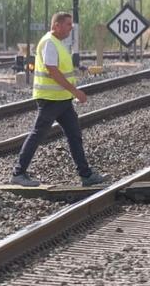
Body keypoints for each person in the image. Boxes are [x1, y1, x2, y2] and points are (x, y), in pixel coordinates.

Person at [10, 11, 106, 187]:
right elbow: (52, 71)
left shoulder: (58, 43)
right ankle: (18, 173)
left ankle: (86, 175)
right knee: (38, 134)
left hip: (62, 100)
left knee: (74, 135)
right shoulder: (49, 43)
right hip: (50, 99)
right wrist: (75, 91)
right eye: (68, 24)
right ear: (57, 25)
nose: (71, 28)